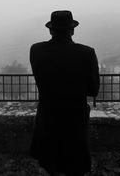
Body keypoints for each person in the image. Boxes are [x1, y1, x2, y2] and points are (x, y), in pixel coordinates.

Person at [30, 10, 100, 176]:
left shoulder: (36, 50)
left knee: (49, 163)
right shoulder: (87, 53)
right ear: (72, 30)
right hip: (74, 119)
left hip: (48, 117)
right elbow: (93, 90)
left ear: (50, 30)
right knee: (74, 165)